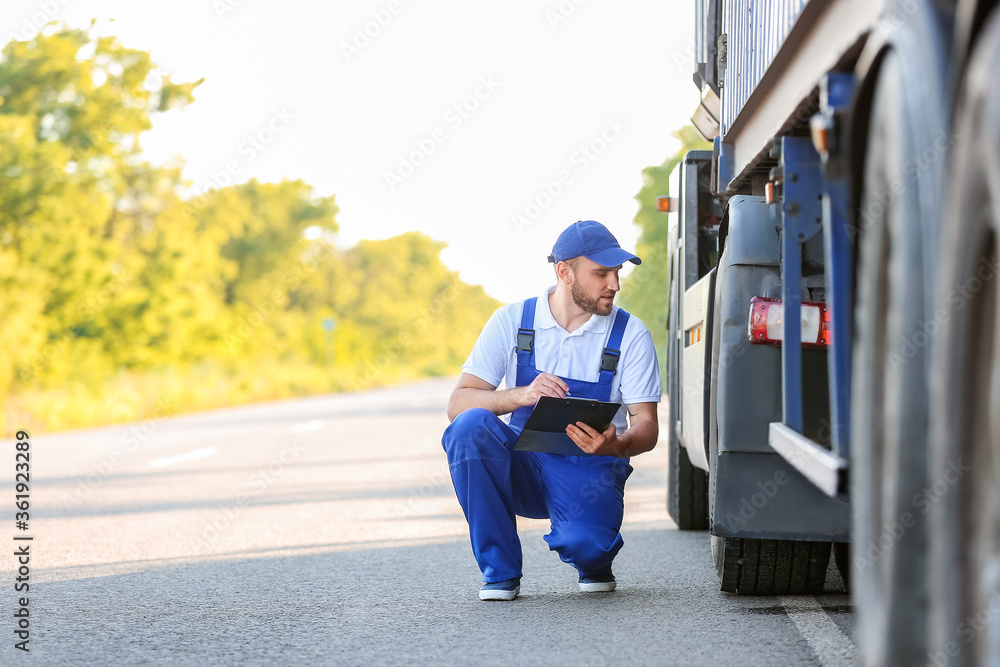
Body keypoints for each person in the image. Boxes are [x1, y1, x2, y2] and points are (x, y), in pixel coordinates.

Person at [442, 220, 661, 601]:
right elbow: (457, 403)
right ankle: (500, 572)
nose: (615, 284)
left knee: (588, 545)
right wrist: (519, 396)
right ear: (565, 272)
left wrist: (618, 444)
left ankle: (592, 557)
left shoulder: (631, 334)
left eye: (617, 272)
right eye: (601, 273)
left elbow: (647, 425)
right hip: (522, 466)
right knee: (469, 426)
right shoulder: (511, 321)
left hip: (588, 469)